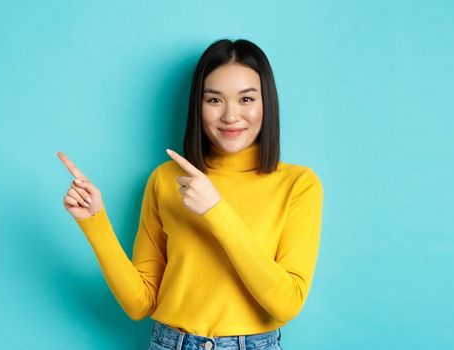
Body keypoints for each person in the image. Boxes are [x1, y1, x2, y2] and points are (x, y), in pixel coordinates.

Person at [56, 38, 323, 350]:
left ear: (267, 103)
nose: (230, 116)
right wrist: (95, 222)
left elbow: (287, 304)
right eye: (214, 100)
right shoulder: (165, 180)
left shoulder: (298, 184)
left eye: (247, 99)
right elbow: (140, 304)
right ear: (198, 106)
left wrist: (216, 209)